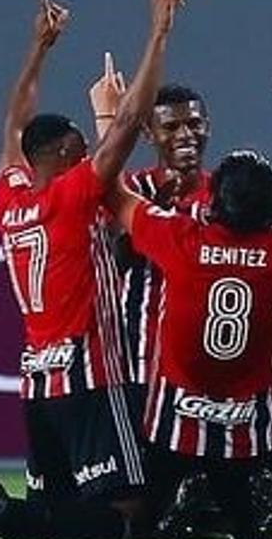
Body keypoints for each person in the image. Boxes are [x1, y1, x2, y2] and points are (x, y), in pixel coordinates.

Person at [0, 0, 183, 539]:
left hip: (39, 380)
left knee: (58, 514)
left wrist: (39, 49)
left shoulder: (9, 196)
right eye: (83, 148)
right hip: (91, 375)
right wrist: (159, 34)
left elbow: (14, 124)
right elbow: (124, 124)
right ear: (68, 154)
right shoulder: (71, 197)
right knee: (131, 518)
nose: (92, 152)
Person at [107, 75, 272, 539]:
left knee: (143, 526)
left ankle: (188, 502)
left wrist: (114, 117)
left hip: (174, 416)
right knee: (261, 531)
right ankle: (242, 504)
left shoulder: (182, 239)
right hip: (246, 424)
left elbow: (111, 192)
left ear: (213, 203)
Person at [91, 79, 214, 388]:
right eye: (171, 127)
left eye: (194, 124)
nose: (185, 135)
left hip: (202, 363)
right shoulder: (132, 191)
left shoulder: (226, 197)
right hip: (136, 363)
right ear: (148, 132)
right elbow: (114, 259)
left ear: (207, 127)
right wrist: (154, 214)